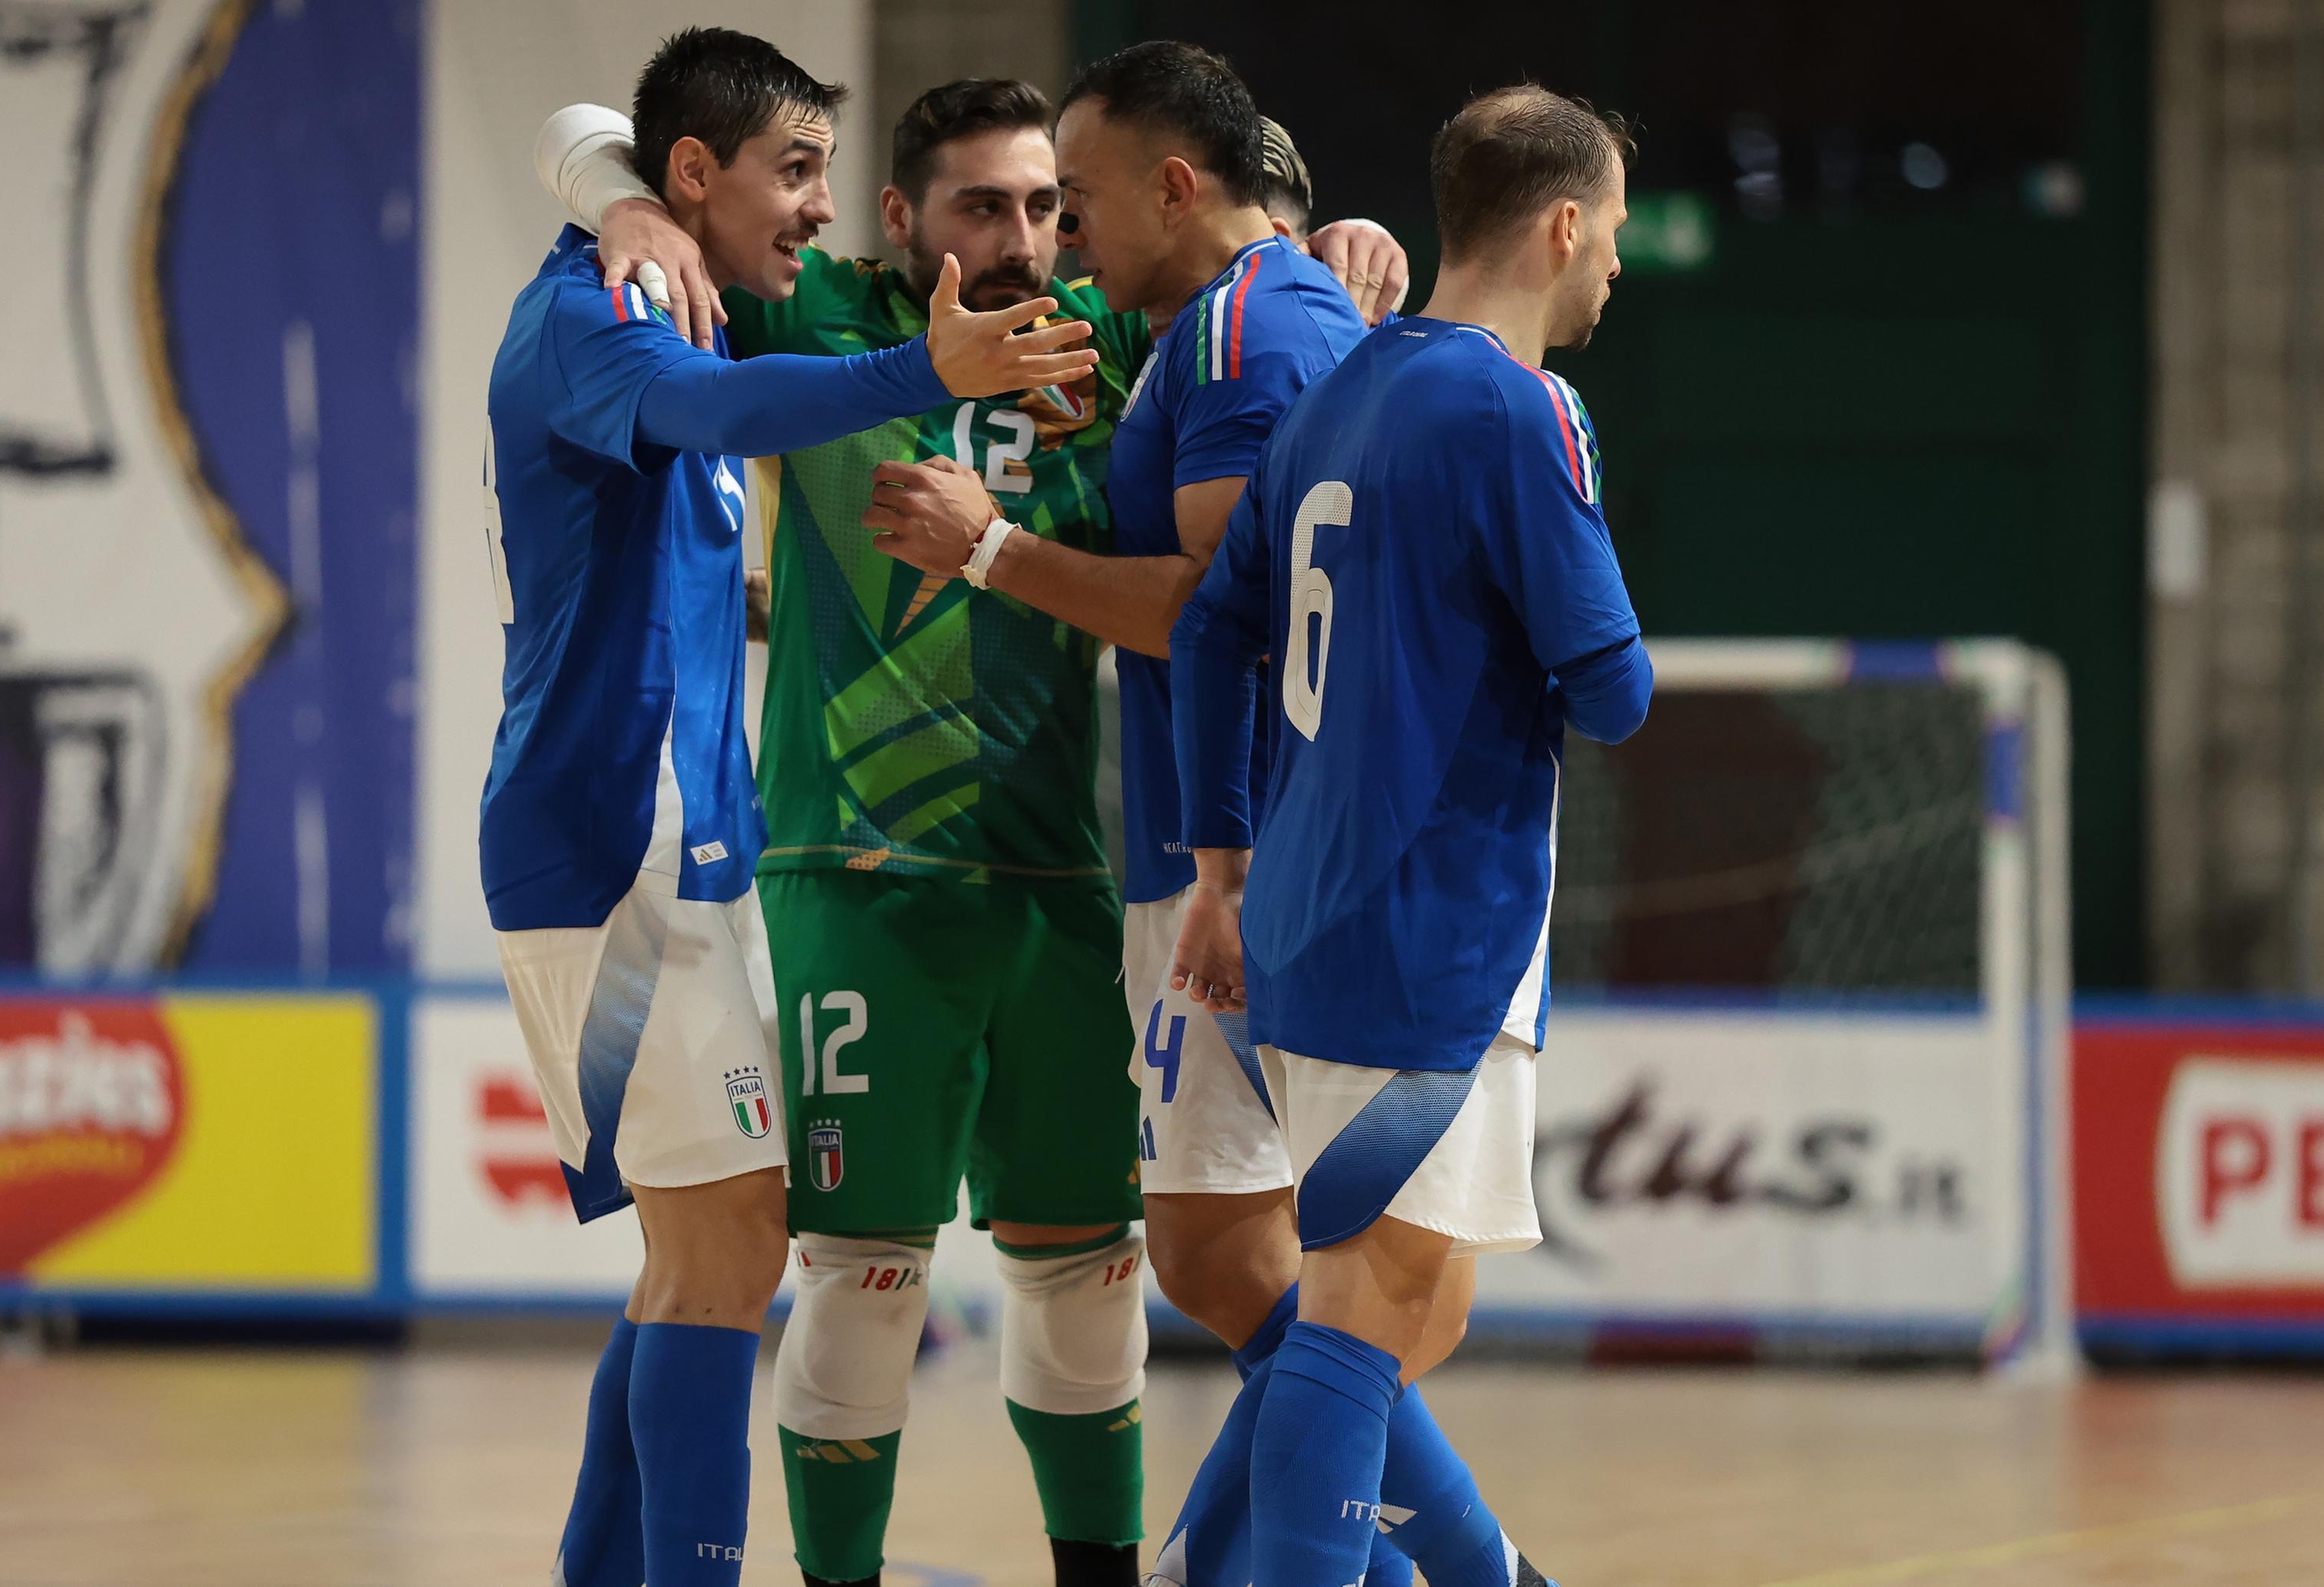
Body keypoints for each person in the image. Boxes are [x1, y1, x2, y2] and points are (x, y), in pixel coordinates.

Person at [527, 74, 1412, 1587]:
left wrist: (1348, 228)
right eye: (983, 206)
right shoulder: (814, 316)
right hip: (858, 885)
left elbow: (1237, 271)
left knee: (1093, 1284)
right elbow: (591, 127)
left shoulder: (1106, 339)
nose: (1025, 237)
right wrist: (615, 194)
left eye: (1047, 205)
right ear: (896, 218)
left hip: (1061, 891)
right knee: (861, 1290)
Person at [862, 39, 1542, 1587]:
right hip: (1207, 849)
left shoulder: (1255, 322)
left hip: (1259, 859)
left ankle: (1422, 1570)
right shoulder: (1209, 321)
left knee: (1347, 1292)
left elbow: (1225, 602)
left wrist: (993, 555)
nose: (1065, 240)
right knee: (1234, 1261)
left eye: (1082, 199)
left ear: (1177, 185)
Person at [481, 29, 1095, 1587]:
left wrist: (612, 185)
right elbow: (736, 415)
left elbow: (593, 132)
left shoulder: (658, 279)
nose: (818, 209)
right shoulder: (596, 311)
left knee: (701, 1252)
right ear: (694, 177)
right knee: (730, 1248)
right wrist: (923, 374)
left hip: (686, 851)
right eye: (799, 170)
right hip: (609, 847)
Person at [1163, 84, 1650, 1585]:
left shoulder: (1336, 391)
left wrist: (1223, 869)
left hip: (1307, 914)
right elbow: (1614, 688)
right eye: (1616, 232)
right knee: (1369, 1320)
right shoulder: (1518, 405)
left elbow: (1207, 639)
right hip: (1427, 918)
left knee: (1388, 1313)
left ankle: (1204, 1564)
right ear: (1562, 223)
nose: (1616, 268)